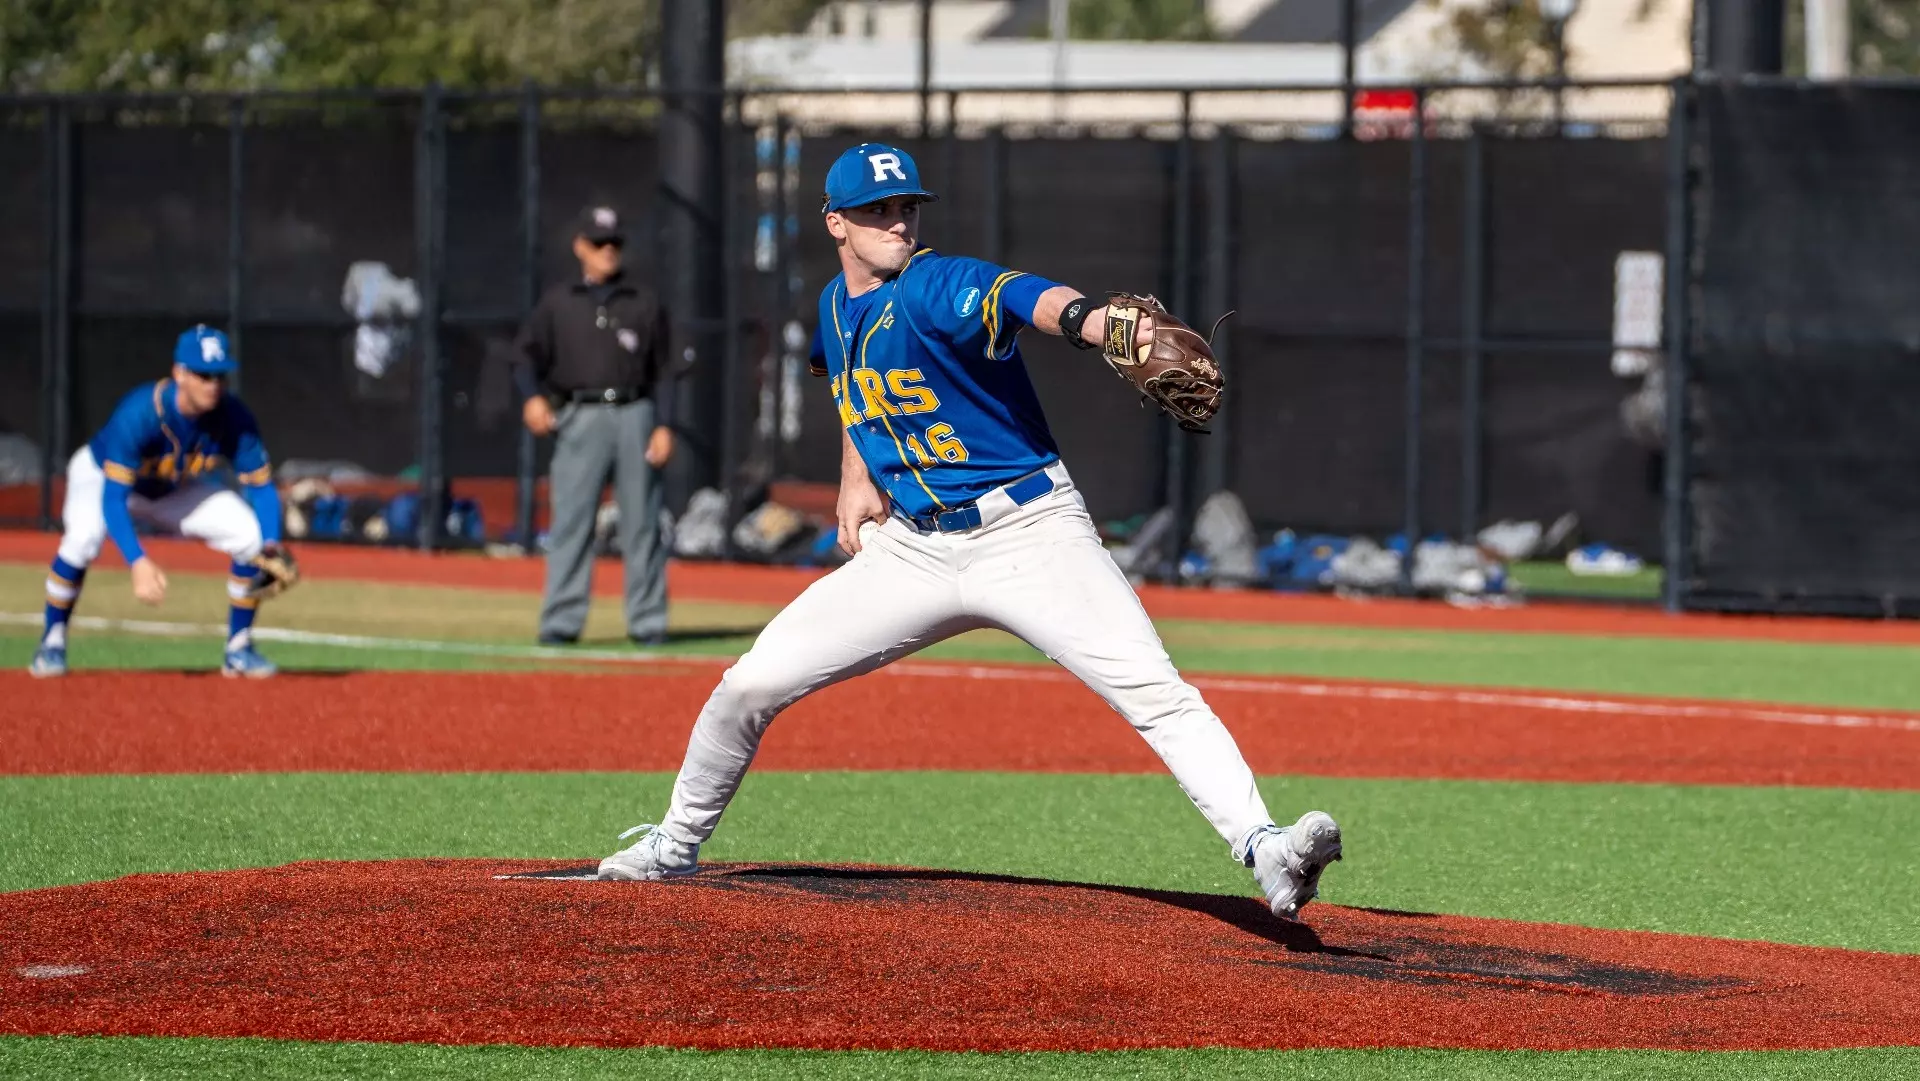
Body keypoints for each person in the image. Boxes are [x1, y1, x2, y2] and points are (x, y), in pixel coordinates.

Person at [595, 144, 1343, 924]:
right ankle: (673, 845)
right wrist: (856, 475)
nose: (897, 222)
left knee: (1155, 691)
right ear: (835, 224)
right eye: (876, 211)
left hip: (1030, 531)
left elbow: (1023, 297)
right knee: (748, 684)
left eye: (907, 207)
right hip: (914, 550)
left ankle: (1268, 850)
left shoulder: (935, 282)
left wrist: (1091, 321)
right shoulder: (832, 307)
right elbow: (849, 382)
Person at [29, 325, 285, 679]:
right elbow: (114, 499)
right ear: (179, 373)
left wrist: (272, 547)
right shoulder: (141, 413)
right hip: (101, 476)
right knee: (82, 539)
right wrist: (137, 561)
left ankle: (238, 649)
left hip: (172, 488)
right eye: (203, 374)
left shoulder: (234, 418)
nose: (213, 384)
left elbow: (262, 488)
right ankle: (51, 641)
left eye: (221, 375)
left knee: (250, 537)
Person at [514, 205, 676, 646]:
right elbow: (525, 357)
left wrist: (664, 425)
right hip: (578, 415)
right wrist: (532, 399)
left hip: (634, 413)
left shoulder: (641, 301)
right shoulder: (558, 301)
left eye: (615, 243)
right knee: (571, 520)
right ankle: (561, 621)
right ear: (580, 246)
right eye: (600, 242)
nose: (608, 251)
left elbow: (663, 370)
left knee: (641, 522)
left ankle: (647, 622)